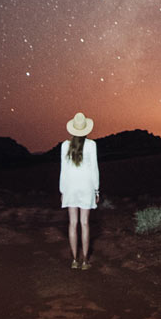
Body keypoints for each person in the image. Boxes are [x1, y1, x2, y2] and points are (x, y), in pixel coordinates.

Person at [59, 111, 99, 269]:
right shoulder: (91, 145)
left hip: (70, 186)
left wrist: (62, 190)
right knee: (85, 223)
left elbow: (63, 170)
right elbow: (94, 169)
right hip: (86, 187)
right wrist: (96, 190)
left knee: (72, 223)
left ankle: (74, 260)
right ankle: (85, 261)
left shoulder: (64, 145)